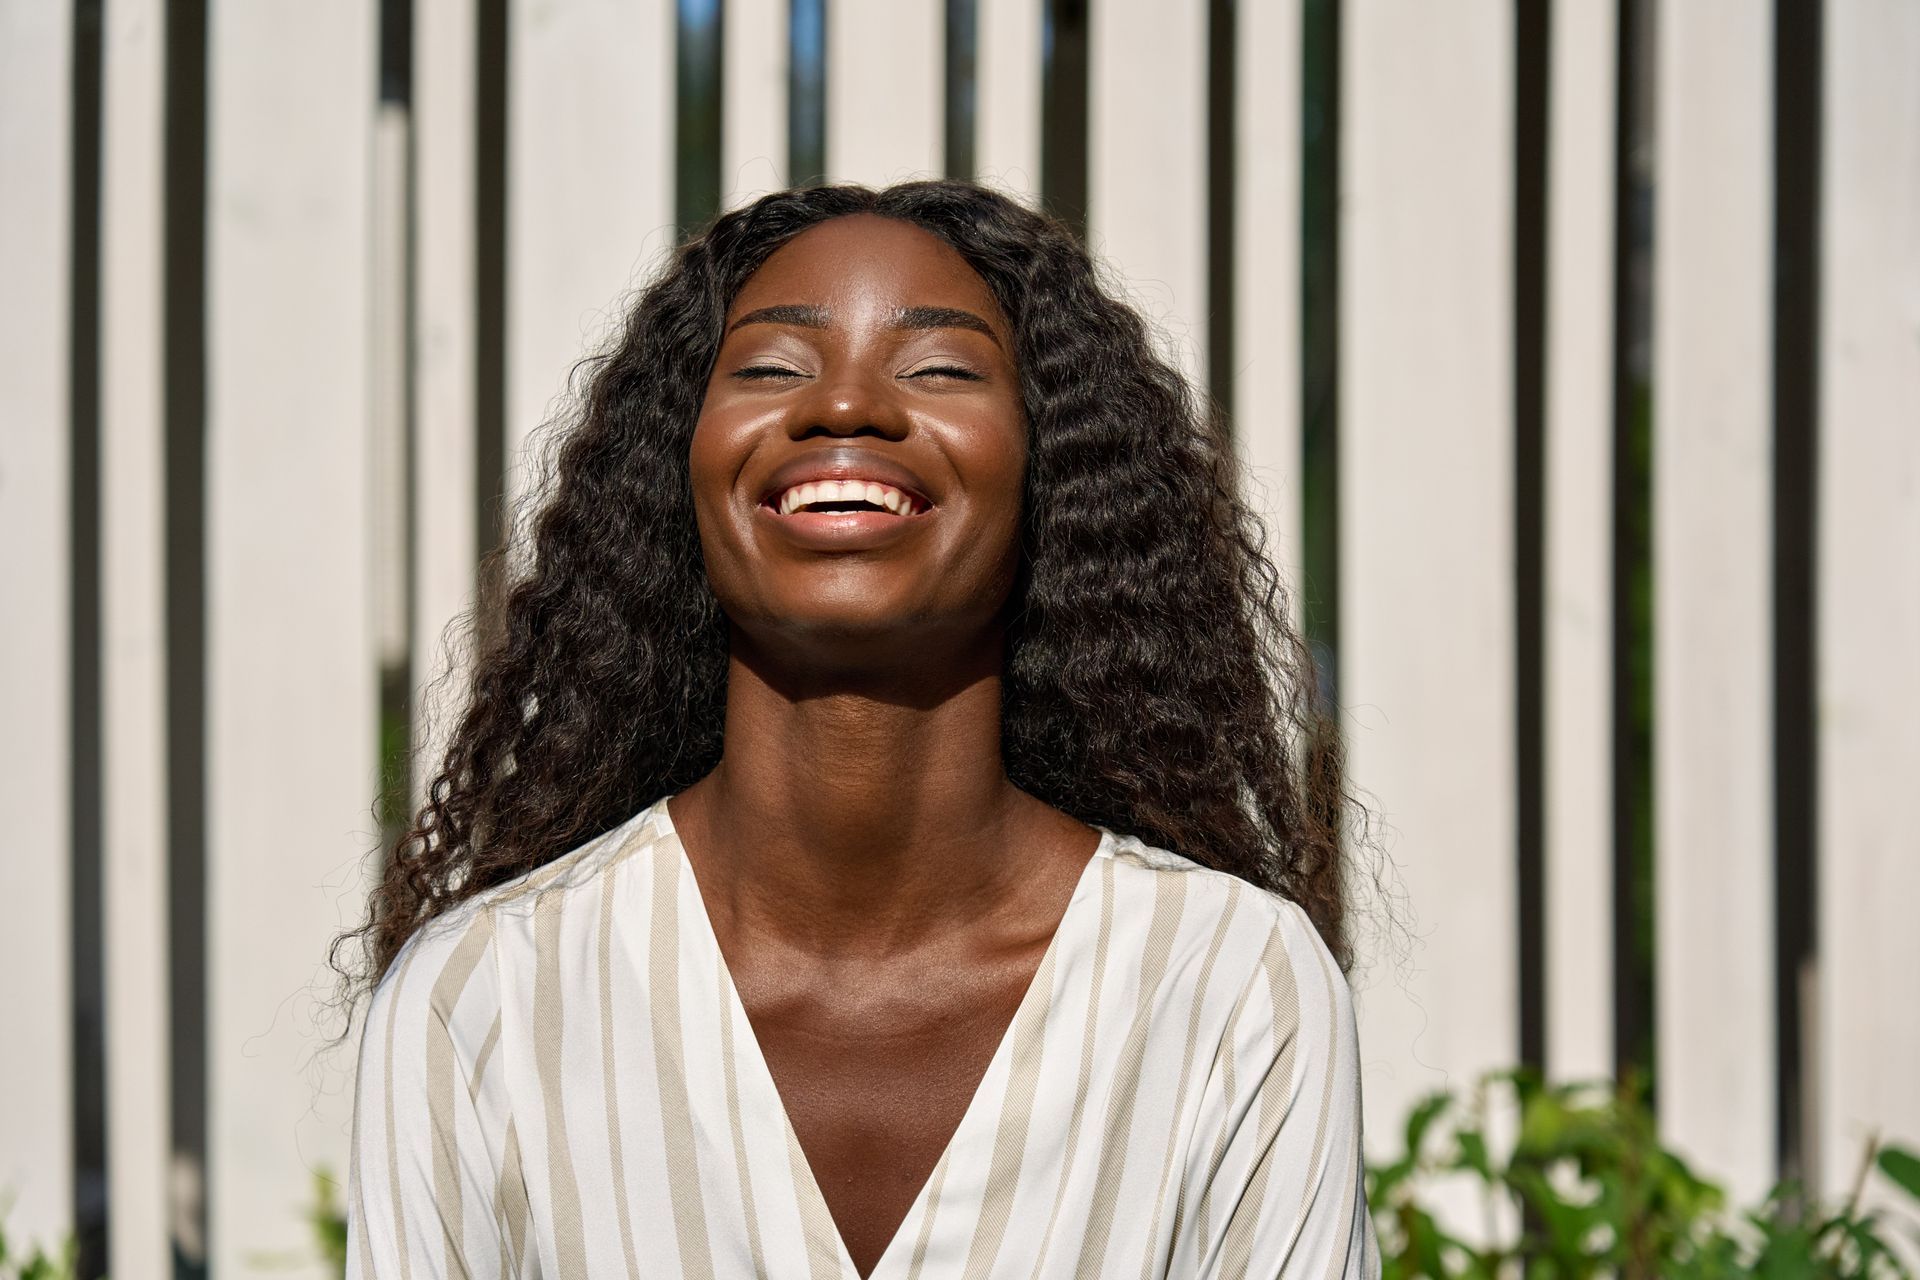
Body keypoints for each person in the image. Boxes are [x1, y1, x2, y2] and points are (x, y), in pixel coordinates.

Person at [339, 179, 1381, 1278]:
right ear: (677, 470)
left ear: (1051, 474)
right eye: (772, 368)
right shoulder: (483, 1000)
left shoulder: (1230, 988)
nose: (845, 407)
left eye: (938, 368)